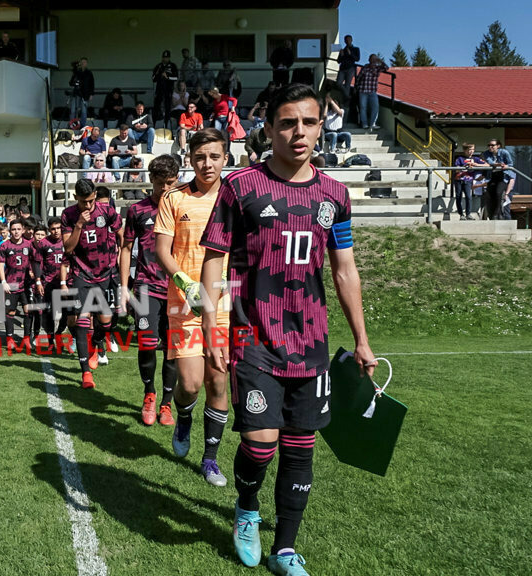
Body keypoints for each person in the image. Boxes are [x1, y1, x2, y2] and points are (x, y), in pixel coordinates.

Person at [198, 84, 376, 575]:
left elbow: (344, 269)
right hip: (253, 337)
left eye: (309, 122)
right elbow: (213, 260)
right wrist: (211, 326)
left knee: (300, 446)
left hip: (311, 342)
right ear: (270, 129)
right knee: (260, 444)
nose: (299, 132)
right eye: (288, 123)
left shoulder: (335, 195)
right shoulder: (241, 187)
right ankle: (247, 508)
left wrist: (361, 340)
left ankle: (285, 548)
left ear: (321, 127)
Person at [153, 129, 234, 487]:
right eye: (200, 157)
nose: (207, 164)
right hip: (185, 304)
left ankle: (210, 459)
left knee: (218, 380)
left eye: (214, 156)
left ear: (226, 159)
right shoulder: (174, 199)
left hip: (224, 304)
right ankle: (184, 417)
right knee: (189, 383)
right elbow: (162, 250)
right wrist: (185, 283)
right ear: (190, 159)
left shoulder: (235, 199)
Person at [118, 155, 178, 429]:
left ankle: (167, 403)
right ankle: (149, 395)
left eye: (170, 182)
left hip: (177, 289)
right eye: (160, 182)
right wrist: (123, 287)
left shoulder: (183, 206)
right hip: (146, 286)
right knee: (146, 343)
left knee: (173, 349)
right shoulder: (137, 210)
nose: (165, 188)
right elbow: (126, 249)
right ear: (151, 179)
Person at [60, 179, 123, 389]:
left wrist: (120, 256)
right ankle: (86, 373)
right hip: (82, 273)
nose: (87, 205)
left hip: (105, 272)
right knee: (82, 320)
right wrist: (79, 224)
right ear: (75, 198)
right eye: (83, 202)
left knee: (106, 322)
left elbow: (122, 235)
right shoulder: (68, 215)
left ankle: (96, 343)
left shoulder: (107, 211)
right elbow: (68, 248)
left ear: (95, 195)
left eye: (90, 201)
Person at [0, 219, 37, 350]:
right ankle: (10, 339)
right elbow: (1, 265)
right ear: (10, 231)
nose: (16, 232)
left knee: (28, 310)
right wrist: (3, 282)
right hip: (11, 284)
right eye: (14, 229)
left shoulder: (29, 245)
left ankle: (27, 338)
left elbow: (34, 261)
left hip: (26, 284)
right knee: (11, 311)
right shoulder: (5, 246)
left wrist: (33, 272)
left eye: (18, 229)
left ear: (23, 230)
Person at [33, 217, 67, 338]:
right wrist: (38, 282)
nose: (56, 231)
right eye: (53, 229)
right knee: (49, 311)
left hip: (66, 282)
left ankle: (60, 331)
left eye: (58, 228)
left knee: (67, 311)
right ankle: (51, 339)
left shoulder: (67, 240)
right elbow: (37, 262)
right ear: (49, 230)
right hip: (49, 282)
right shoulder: (43, 243)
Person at [482, 139, 516, 220]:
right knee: (490, 195)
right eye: (489, 145)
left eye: (492, 145)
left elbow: (510, 164)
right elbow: (490, 163)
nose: (490, 147)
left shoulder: (504, 152)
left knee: (498, 192)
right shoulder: (486, 153)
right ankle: (492, 215)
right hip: (492, 176)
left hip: (503, 176)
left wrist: (506, 166)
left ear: (498, 146)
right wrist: (499, 164)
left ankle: (497, 213)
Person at [453, 143, 487, 221]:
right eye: (469, 149)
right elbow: (456, 169)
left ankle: (468, 214)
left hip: (468, 180)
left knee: (468, 197)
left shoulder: (476, 159)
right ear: (465, 150)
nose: (471, 151)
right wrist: (464, 167)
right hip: (459, 180)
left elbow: (486, 164)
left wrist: (476, 165)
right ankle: (461, 214)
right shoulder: (459, 158)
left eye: (473, 149)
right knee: (458, 197)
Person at [355, 54, 388, 130]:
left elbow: (386, 68)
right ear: (369, 60)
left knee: (375, 107)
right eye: (372, 59)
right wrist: (356, 87)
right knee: (363, 107)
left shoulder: (378, 68)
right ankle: (364, 124)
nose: (373, 60)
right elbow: (359, 77)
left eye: (375, 59)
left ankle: (373, 124)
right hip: (363, 90)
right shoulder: (365, 67)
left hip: (372, 91)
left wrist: (381, 61)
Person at [151, 49, 179, 125]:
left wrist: (168, 77)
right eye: (164, 57)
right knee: (156, 107)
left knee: (167, 107)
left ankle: (166, 124)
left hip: (168, 90)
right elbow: (153, 79)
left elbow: (176, 77)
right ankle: (153, 123)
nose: (165, 59)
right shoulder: (158, 66)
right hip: (159, 90)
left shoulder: (172, 66)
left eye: (166, 57)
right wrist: (157, 74)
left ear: (169, 58)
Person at [69, 57, 94, 129]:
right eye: (82, 62)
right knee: (73, 110)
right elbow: (71, 82)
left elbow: (92, 84)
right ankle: (72, 125)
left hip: (85, 94)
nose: (83, 64)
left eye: (84, 62)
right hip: (76, 93)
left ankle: (82, 125)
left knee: (84, 111)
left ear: (86, 63)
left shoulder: (89, 73)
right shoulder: (77, 72)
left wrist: (91, 94)